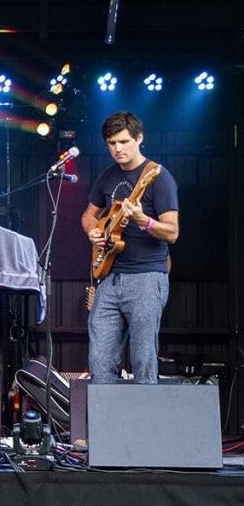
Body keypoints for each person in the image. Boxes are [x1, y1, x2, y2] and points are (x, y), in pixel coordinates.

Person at [81, 111, 178, 384]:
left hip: (147, 276)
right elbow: (88, 215)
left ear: (139, 138)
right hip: (109, 278)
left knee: (143, 359)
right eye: (111, 143)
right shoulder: (107, 177)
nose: (118, 149)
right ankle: (106, 425)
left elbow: (172, 232)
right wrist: (94, 231)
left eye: (123, 141)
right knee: (99, 361)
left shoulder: (158, 177)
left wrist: (143, 220)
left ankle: (146, 425)